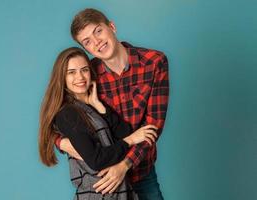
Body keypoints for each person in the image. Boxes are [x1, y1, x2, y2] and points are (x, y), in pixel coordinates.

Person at [55, 8, 169, 200]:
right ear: (86, 49)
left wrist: (124, 166)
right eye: (87, 41)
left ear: (112, 27)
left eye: (98, 31)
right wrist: (60, 142)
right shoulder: (87, 73)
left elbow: (153, 126)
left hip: (141, 171)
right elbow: (61, 115)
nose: (97, 42)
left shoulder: (154, 62)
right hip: (107, 181)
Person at [38, 47, 159, 200]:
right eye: (71, 72)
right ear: (61, 77)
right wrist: (132, 140)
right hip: (97, 194)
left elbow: (124, 132)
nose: (80, 77)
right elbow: (96, 160)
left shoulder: (91, 104)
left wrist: (99, 106)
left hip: (118, 191)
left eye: (84, 70)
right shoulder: (68, 113)